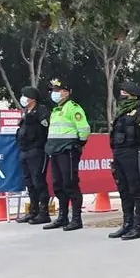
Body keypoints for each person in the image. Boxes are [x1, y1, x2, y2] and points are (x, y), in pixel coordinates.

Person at [106, 82, 140, 241]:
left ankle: (137, 227)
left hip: (134, 154)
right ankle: (127, 224)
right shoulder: (120, 113)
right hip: (119, 155)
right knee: (124, 190)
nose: (121, 95)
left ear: (133, 96)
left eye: (124, 93)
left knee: (137, 190)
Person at [42, 78, 91, 232]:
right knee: (57, 184)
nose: (54, 93)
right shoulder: (55, 110)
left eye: (57, 90)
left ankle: (76, 219)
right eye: (53, 91)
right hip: (54, 150)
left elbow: (84, 128)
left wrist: (78, 144)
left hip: (68, 149)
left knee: (70, 183)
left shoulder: (73, 108)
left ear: (66, 92)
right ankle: (62, 217)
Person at [14, 86, 51, 225]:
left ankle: (43, 212)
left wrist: (32, 117)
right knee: (29, 182)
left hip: (37, 150)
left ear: (32, 98)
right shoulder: (25, 112)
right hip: (24, 150)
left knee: (38, 181)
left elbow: (45, 126)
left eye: (25, 96)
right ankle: (33, 211)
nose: (23, 98)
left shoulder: (41, 111)